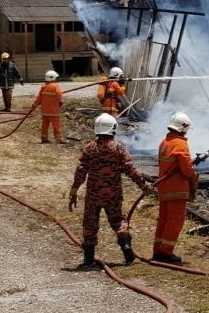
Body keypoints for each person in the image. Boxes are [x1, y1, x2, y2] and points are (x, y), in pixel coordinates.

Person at [68, 113, 151, 270]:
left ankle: (89, 259)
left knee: (90, 224)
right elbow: (131, 169)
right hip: (113, 194)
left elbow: (81, 170)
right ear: (113, 128)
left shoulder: (89, 148)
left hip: (93, 195)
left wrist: (74, 190)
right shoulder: (119, 148)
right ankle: (126, 247)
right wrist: (143, 186)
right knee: (118, 221)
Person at [152, 112, 196, 263]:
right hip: (177, 190)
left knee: (164, 219)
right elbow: (187, 171)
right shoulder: (181, 144)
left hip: (164, 188)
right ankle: (166, 252)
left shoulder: (164, 142)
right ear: (183, 128)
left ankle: (158, 250)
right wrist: (192, 168)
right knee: (175, 221)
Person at [32, 70, 64, 144]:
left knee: (45, 125)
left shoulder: (43, 86)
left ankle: (44, 138)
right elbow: (59, 95)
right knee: (56, 125)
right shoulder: (55, 86)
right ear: (53, 78)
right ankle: (59, 139)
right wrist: (60, 101)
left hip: (45, 111)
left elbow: (39, 98)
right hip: (54, 111)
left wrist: (34, 106)